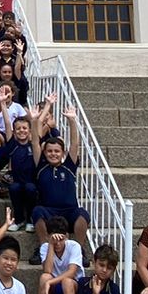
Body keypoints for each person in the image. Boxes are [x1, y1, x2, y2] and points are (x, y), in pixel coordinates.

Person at [29, 96, 90, 255]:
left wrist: (72, 121)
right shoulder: (41, 166)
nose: (53, 154)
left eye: (57, 151)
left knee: (82, 214)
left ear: (63, 153)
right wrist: (34, 121)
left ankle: (78, 250)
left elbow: (75, 144)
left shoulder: (69, 166)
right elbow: (35, 142)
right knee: (37, 211)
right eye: (49, 151)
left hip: (69, 211)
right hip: (48, 211)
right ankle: (43, 249)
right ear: (45, 153)